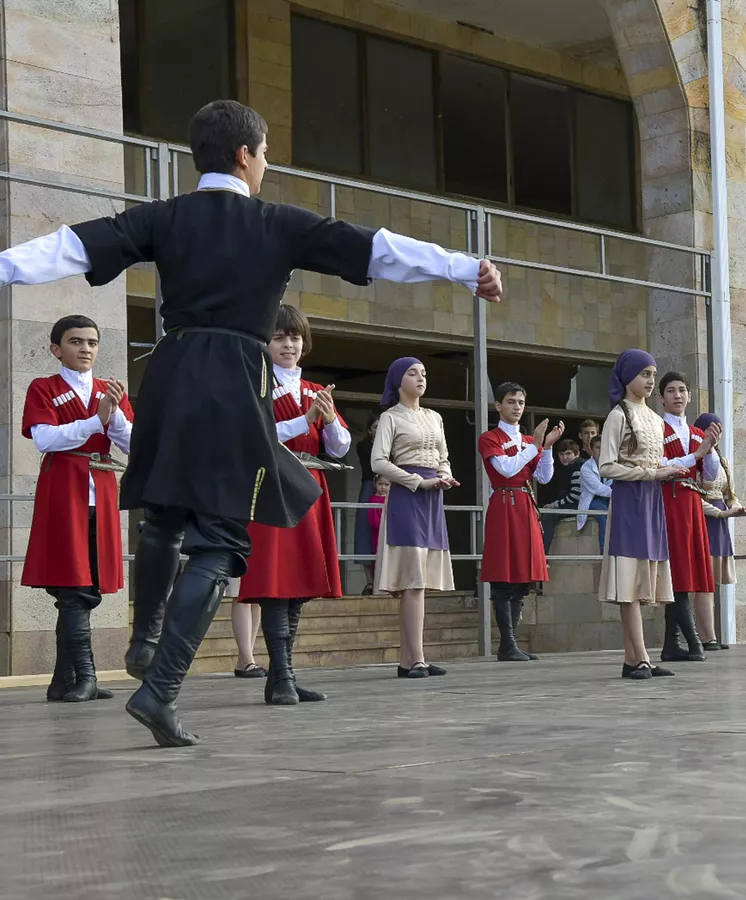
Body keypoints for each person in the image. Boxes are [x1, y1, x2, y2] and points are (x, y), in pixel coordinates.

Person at [0, 99, 503, 746]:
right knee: (220, 541)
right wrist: (465, 268)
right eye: (264, 154)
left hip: (172, 366)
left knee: (162, 512)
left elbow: (71, 246)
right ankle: (158, 688)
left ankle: (147, 637)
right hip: (234, 375)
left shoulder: (165, 216)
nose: (266, 165)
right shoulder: (274, 222)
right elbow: (375, 250)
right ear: (246, 154)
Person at [228, 303, 350, 705]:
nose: (288, 344)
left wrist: (328, 420)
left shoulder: (317, 391)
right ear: (266, 341)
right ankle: (280, 676)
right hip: (273, 485)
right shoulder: (254, 382)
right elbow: (255, 435)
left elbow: (341, 447)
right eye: (279, 337)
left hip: (310, 485)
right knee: (276, 584)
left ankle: (284, 675)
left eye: (294, 337)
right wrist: (305, 419)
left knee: (297, 587)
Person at [22, 315, 131, 703]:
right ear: (56, 349)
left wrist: (113, 415)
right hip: (62, 488)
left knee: (87, 586)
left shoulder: (108, 390)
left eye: (92, 342)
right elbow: (45, 438)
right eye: (76, 341)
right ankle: (86, 675)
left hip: (100, 491)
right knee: (72, 587)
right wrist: (95, 419)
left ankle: (62, 680)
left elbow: (131, 443)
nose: (86, 349)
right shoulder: (43, 387)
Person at [597, 350, 684, 679]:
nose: (650, 380)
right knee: (629, 582)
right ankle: (640, 656)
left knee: (644, 579)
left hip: (651, 501)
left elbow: (654, 461)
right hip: (629, 502)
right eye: (644, 374)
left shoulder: (654, 419)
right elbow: (606, 466)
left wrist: (668, 469)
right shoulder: (618, 416)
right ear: (627, 376)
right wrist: (652, 474)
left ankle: (635, 658)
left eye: (652, 374)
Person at [373, 358, 461, 679]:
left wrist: (444, 476)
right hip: (407, 498)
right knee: (413, 582)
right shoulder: (390, 418)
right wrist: (416, 481)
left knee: (421, 581)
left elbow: (444, 457)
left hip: (432, 497)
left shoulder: (434, 417)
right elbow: (378, 462)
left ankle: (409, 660)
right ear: (398, 380)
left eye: (424, 373)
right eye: (412, 373)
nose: (420, 378)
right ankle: (417, 658)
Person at [479, 382, 562, 662]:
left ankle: (510, 643)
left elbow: (543, 477)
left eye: (521, 402)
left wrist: (547, 449)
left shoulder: (528, 441)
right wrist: (536, 445)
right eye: (511, 401)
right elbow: (505, 469)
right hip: (504, 504)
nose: (517, 407)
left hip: (525, 505)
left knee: (521, 579)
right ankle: (507, 643)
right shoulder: (490, 438)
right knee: (504, 576)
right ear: (498, 406)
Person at [657, 371, 721, 663]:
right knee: (678, 570)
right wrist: (697, 454)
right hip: (669, 500)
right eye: (671, 391)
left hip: (693, 500)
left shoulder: (697, 433)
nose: (678, 395)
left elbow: (709, 478)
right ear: (661, 398)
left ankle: (672, 644)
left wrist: (709, 453)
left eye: (682, 390)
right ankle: (693, 640)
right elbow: (660, 464)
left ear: (690, 396)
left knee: (690, 570)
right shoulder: (657, 429)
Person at [693, 411, 744, 651]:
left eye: (719, 430)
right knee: (704, 580)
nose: (716, 434)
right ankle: (707, 636)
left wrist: (735, 507)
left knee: (713, 580)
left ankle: (710, 634)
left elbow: (730, 493)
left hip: (721, 519)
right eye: (711, 429)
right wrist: (720, 513)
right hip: (703, 518)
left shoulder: (723, 460)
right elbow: (692, 495)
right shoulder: (695, 458)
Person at [540, 438, 582, 553]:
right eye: (561, 454)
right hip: (570, 503)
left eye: (568, 453)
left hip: (578, 505)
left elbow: (575, 496)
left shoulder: (577, 468)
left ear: (577, 454)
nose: (564, 457)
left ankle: (543, 554)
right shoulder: (565, 469)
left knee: (548, 516)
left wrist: (554, 505)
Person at [355, 419, 380, 594]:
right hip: (369, 486)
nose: (379, 430)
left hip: (390, 487)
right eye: (376, 426)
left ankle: (383, 580)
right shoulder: (363, 446)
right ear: (369, 430)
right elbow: (373, 464)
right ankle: (369, 582)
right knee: (364, 531)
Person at [577, 433, 612, 549]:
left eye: (604, 448)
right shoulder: (586, 468)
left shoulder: (612, 465)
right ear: (591, 450)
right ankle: (604, 552)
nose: (602, 451)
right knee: (603, 515)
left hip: (611, 498)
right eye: (598, 448)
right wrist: (619, 494)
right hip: (594, 500)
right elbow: (598, 489)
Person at [368, 476, 390, 563]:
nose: (383, 487)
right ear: (375, 484)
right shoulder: (373, 499)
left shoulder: (391, 499)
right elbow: (372, 518)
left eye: (386, 484)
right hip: (377, 531)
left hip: (390, 532)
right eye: (380, 484)